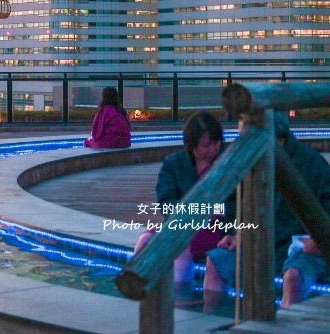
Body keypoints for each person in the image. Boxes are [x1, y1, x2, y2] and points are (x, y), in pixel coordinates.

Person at [203, 112, 330, 307]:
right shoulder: (254, 162)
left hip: (301, 247)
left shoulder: (311, 162)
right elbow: (238, 203)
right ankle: (212, 320)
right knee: (216, 262)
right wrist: (234, 233)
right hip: (262, 243)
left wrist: (320, 241)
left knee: (293, 277)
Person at [133, 110, 230, 284]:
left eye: (216, 142)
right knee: (145, 241)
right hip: (180, 222)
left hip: (215, 228)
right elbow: (166, 200)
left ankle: (179, 299)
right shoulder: (174, 163)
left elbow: (235, 202)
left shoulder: (228, 162)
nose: (213, 149)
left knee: (180, 246)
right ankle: (138, 289)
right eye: (206, 145)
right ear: (191, 145)